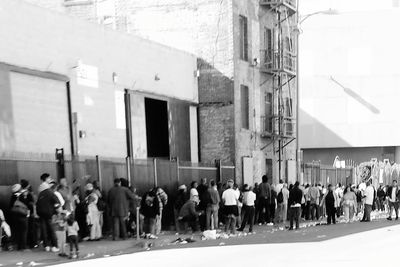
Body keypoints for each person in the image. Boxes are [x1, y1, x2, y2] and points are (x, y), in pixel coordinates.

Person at [36, 180, 61, 252]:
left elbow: (37, 204)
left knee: (44, 230)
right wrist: (58, 211)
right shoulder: (51, 193)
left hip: (41, 214)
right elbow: (57, 203)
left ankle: (46, 246)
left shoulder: (40, 194)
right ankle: (54, 246)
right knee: (51, 229)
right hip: (49, 214)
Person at [9, 183, 30, 251]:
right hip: (23, 215)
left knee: (18, 231)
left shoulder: (12, 196)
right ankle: (23, 247)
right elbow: (27, 204)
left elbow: (10, 207)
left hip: (14, 216)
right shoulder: (22, 195)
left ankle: (19, 246)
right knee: (24, 231)